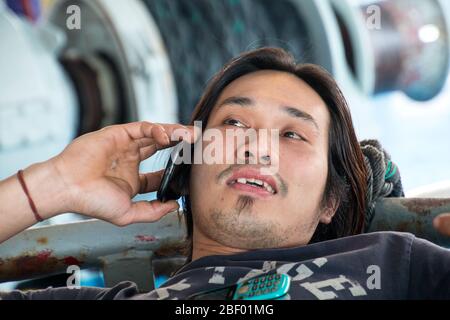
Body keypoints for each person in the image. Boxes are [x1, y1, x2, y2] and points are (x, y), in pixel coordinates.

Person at [0, 48, 449, 300]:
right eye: (234, 125)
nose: (257, 147)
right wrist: (52, 185)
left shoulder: (396, 268)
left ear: (330, 200)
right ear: (185, 172)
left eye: (292, 134)